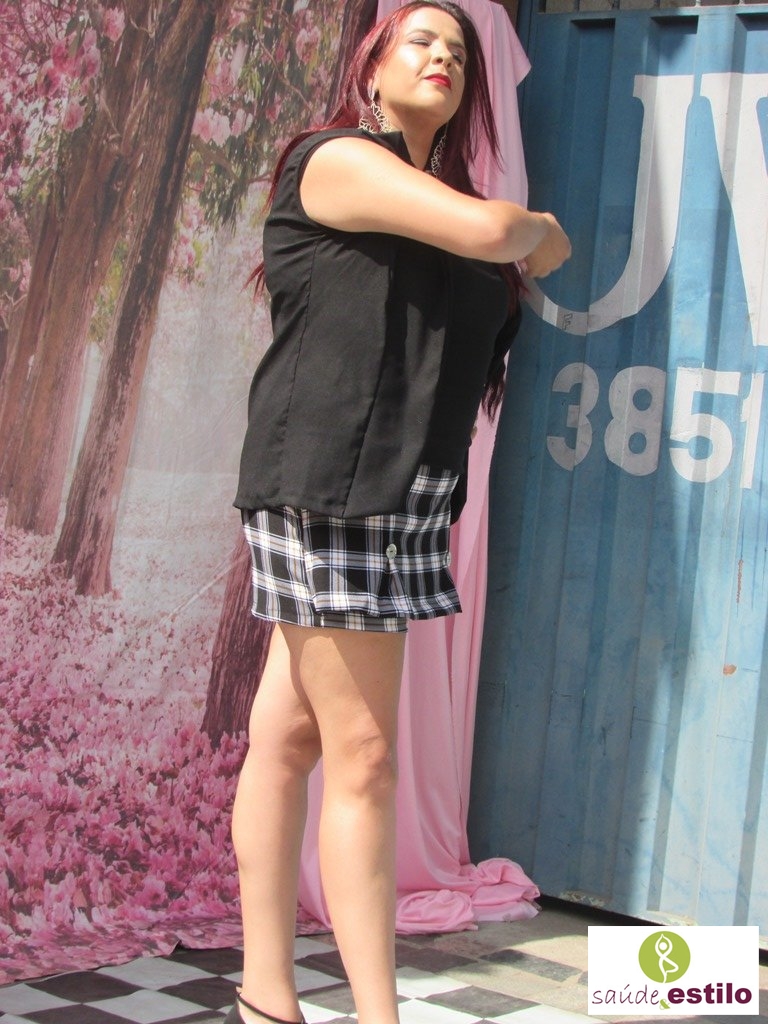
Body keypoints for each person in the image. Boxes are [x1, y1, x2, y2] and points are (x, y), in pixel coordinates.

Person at [227, 4, 571, 1023]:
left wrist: (510, 234)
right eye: (419, 41)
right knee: (366, 758)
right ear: (371, 68)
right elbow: (504, 233)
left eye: (458, 53)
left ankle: (265, 994)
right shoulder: (338, 161)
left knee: (288, 739)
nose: (442, 59)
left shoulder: (441, 200)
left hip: (402, 492)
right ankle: (376, 1013)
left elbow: (482, 264)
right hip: (331, 483)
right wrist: (535, 228)